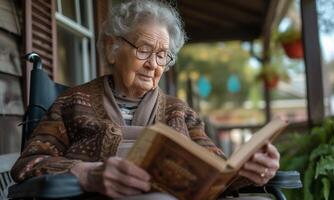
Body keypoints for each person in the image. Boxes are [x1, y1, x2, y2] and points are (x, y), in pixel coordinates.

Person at [11, 0, 280, 199]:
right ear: (112, 48)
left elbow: (217, 171)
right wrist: (88, 173)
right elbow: (28, 165)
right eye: (144, 50)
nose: (153, 64)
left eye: (162, 55)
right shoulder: (72, 102)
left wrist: (247, 172)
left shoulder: (179, 112)